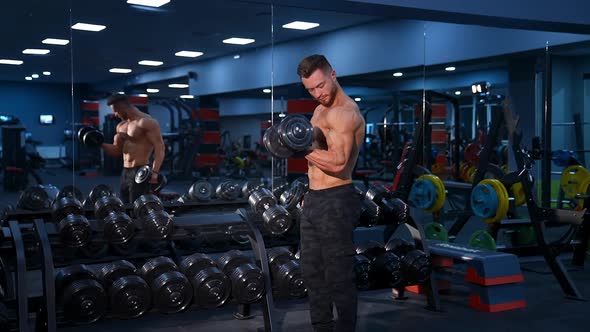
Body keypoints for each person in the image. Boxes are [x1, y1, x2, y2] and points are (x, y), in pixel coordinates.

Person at [296, 54, 365, 332]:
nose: (318, 93)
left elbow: (337, 163)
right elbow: (315, 156)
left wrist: (299, 148)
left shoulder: (346, 113)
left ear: (333, 74)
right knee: (311, 272)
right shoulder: (319, 111)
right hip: (314, 199)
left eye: (321, 85)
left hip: (337, 199)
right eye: (311, 89)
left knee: (339, 276)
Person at [101, 94, 165, 203]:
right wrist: (99, 143)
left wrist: (155, 172)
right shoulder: (121, 126)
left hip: (141, 169)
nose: (115, 114)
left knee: (137, 206)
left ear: (123, 107)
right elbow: (117, 150)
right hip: (125, 171)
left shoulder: (146, 122)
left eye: (116, 110)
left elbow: (160, 147)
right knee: (124, 204)